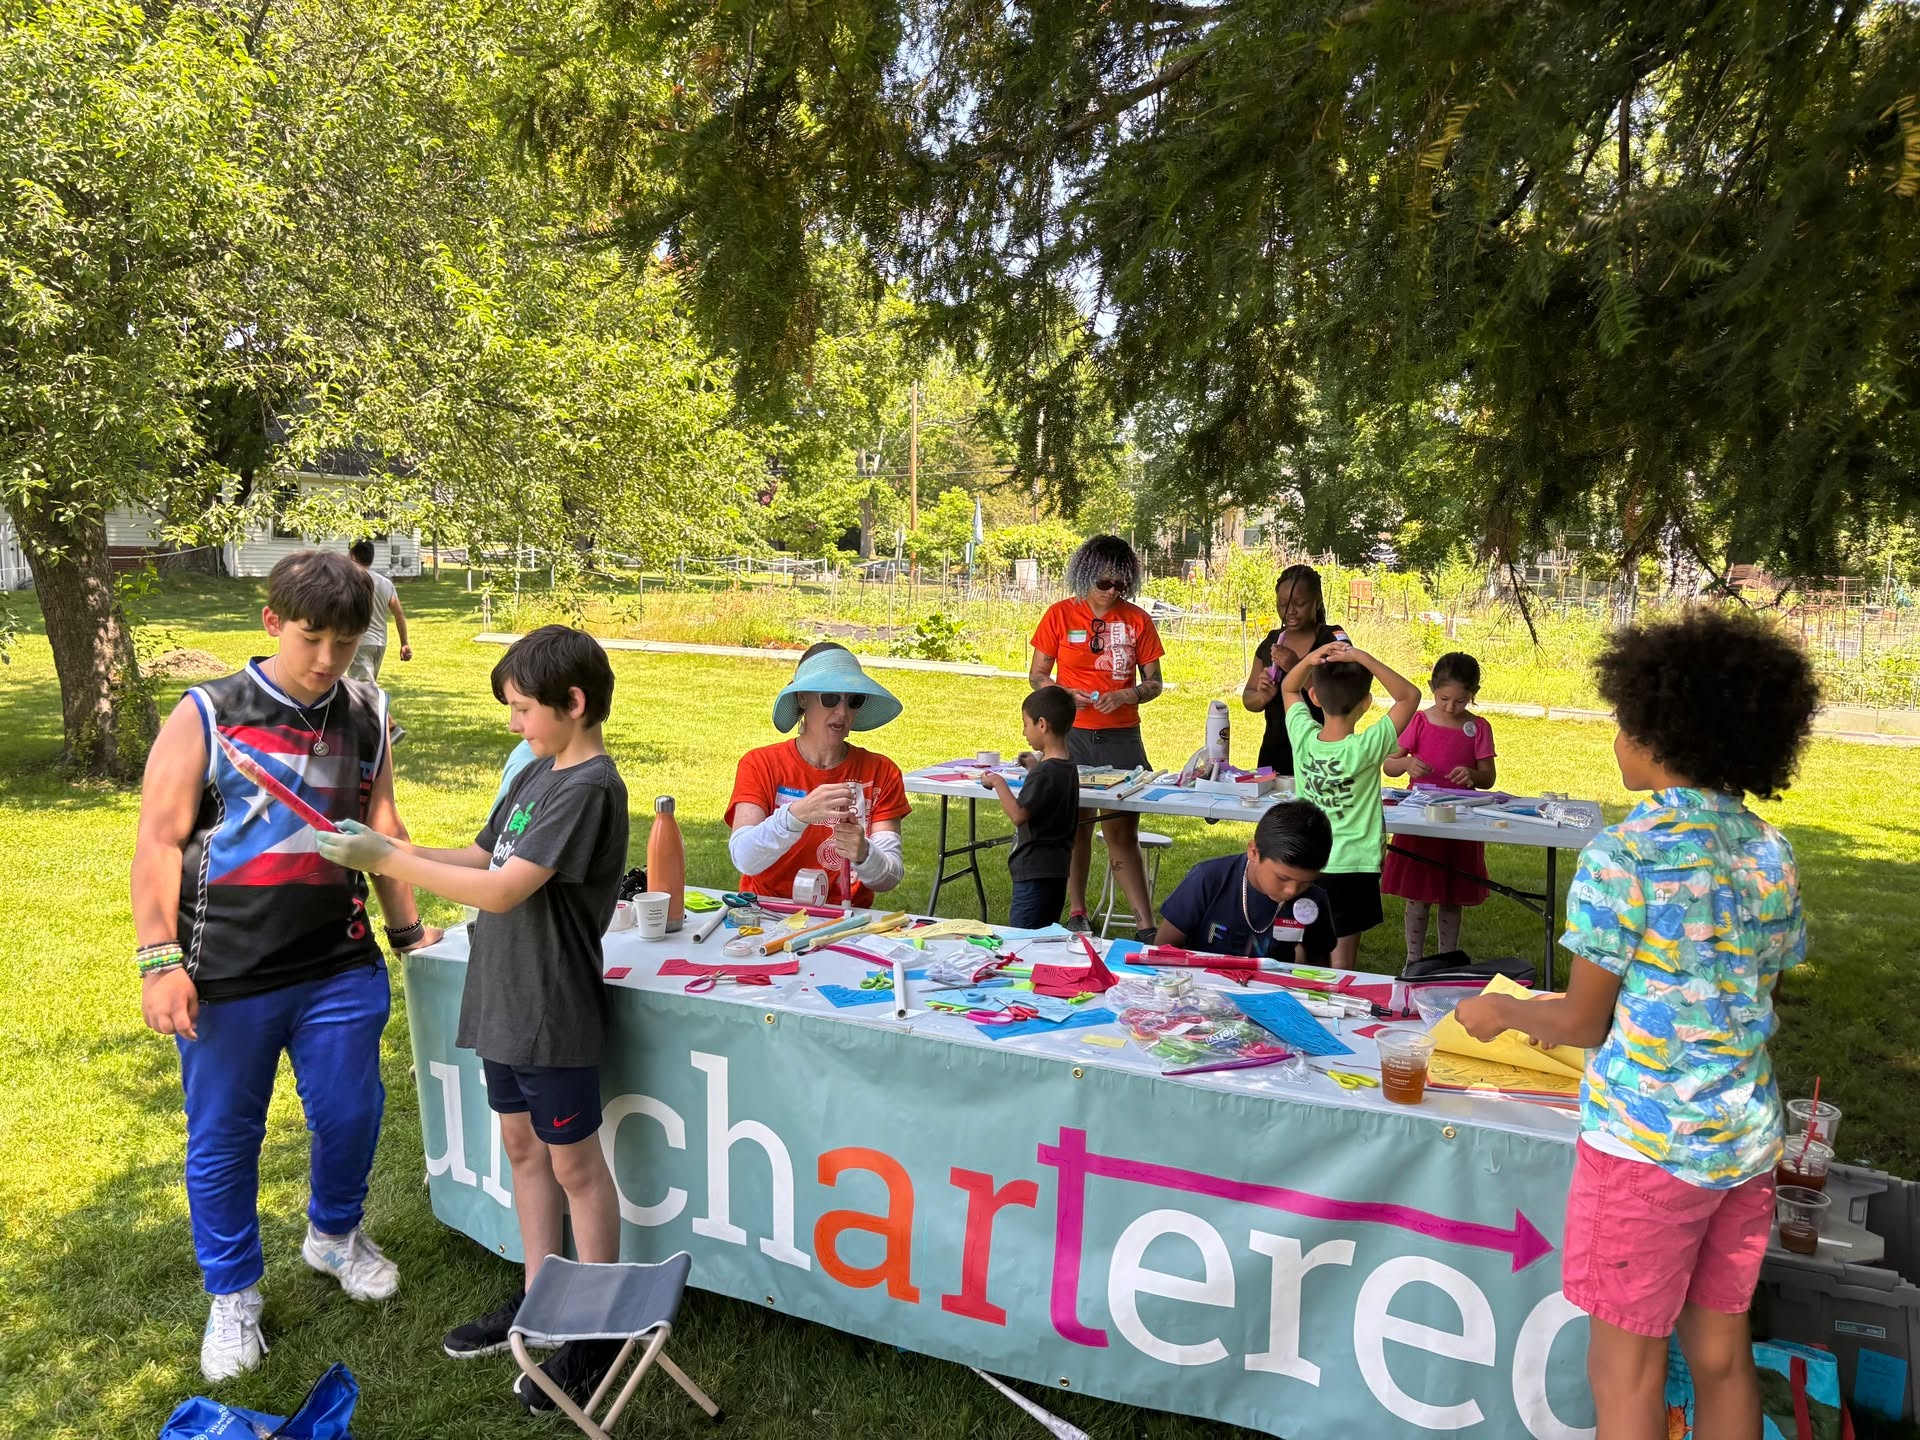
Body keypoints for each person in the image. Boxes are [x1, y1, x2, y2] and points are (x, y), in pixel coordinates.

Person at [1455, 608, 1818, 1440]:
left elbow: (1584, 1019)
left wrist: (1501, 1009)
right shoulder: (1771, 852)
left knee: (1626, 1370)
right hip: (1742, 1140)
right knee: (1724, 1352)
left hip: (1646, 1152)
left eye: (1624, 722)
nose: (1615, 738)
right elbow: (1751, 984)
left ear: (1663, 732)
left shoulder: (1625, 853)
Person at [129, 549, 437, 1382]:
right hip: (224, 972)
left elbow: (382, 821)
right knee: (225, 1140)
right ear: (271, 622)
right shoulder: (207, 712)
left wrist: (406, 930)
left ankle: (335, 1235)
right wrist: (161, 962)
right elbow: (159, 839)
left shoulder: (367, 710)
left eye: (346, 639)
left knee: (351, 1113)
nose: (329, 659)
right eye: (313, 637)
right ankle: (232, 1295)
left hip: (339, 961)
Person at [317, 625, 631, 1415]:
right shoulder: (537, 769)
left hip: (552, 1007)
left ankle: (597, 1333)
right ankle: (541, 1303)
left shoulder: (590, 786)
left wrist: (387, 865)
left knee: (576, 1169)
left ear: (575, 704)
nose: (513, 724)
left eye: (523, 709)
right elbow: (482, 856)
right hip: (501, 994)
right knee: (523, 1149)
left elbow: (501, 892)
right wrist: (390, 842)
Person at [1029, 535, 1166, 939]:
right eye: (1103, 583)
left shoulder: (1138, 619)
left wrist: (1129, 693)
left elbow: (1155, 682)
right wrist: (1059, 694)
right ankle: (1077, 914)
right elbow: (1037, 675)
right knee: (1077, 826)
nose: (1111, 592)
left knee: (1122, 830)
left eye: (1120, 586)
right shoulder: (1058, 615)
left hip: (1122, 735)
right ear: (1083, 576)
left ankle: (1145, 924)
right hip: (1073, 737)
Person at [726, 643, 909, 907]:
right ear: (803, 698)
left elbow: (889, 878)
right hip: (767, 914)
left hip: (846, 922)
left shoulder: (881, 772)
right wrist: (796, 815)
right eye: (830, 698)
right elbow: (744, 857)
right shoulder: (761, 764)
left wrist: (864, 852)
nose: (842, 713)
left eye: (853, 700)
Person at [1282, 640, 1420, 968]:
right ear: (1367, 703)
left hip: (1308, 860)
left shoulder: (1302, 737)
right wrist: (1362, 656)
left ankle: (1300, 1003)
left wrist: (1310, 659)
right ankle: (1339, 1005)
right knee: (1343, 954)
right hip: (1355, 865)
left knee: (1301, 945)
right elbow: (1409, 696)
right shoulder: (1368, 746)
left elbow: (1289, 689)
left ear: (1314, 697)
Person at [1382, 652, 1498, 965]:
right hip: (1420, 818)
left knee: (1452, 893)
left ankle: (1448, 958)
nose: (1450, 707)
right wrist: (1406, 763)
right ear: (1433, 688)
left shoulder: (1478, 727)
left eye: (1461, 701)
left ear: (1473, 694)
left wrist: (1472, 774)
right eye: (1444, 698)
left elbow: (1488, 778)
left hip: (1459, 820)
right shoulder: (1420, 720)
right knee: (1418, 894)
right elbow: (1389, 765)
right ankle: (1413, 959)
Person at [1156, 801, 1337, 963]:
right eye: (1283, 878)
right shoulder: (1209, 879)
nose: (1291, 891)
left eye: (1305, 882)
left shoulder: (1312, 901)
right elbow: (1164, 947)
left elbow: (1319, 968)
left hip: (1273, 994)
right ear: (1253, 852)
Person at [984, 685, 1080, 928]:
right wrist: (1033, 768)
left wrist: (997, 782)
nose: (1023, 731)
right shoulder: (1066, 767)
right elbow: (1047, 795)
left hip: (1034, 873)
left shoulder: (1045, 773)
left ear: (1042, 725)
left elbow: (1019, 815)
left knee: (1022, 940)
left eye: (1026, 724)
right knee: (1044, 938)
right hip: (1057, 870)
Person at [1242, 564, 1345, 776]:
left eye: (1300, 604)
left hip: (1322, 756)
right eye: (1282, 604)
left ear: (1316, 602)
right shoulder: (1272, 641)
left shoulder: (1333, 639)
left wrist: (1296, 667)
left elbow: (1343, 700)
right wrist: (1262, 697)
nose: (1290, 611)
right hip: (1274, 755)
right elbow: (1248, 699)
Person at [347, 539, 412, 743]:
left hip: (359, 642)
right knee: (362, 690)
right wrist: (404, 643)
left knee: (365, 689)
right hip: (379, 645)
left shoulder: (351, 582)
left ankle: (391, 727)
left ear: (353, 557)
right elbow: (399, 614)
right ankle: (364, 733)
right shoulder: (385, 583)